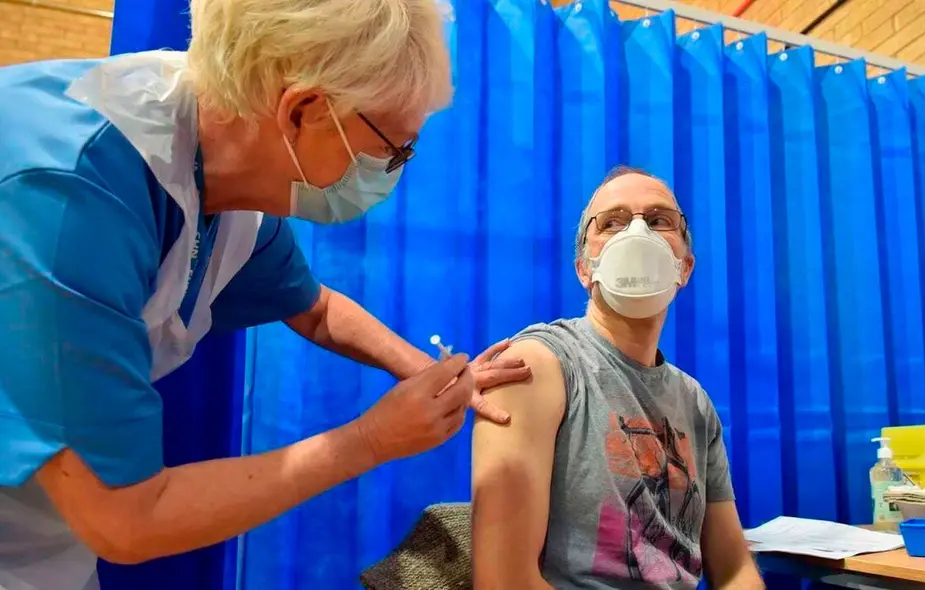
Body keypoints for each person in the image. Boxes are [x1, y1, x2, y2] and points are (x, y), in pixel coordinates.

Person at [0, 1, 531, 589]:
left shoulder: (221, 174)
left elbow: (315, 308)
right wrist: (368, 441)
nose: (392, 170)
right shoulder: (69, 196)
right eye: (394, 149)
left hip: (52, 549)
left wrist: (435, 375)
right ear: (303, 109)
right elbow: (126, 519)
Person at [470, 166, 763, 589]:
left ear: (685, 267)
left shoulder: (694, 403)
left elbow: (735, 569)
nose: (637, 234)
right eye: (612, 223)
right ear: (584, 269)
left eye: (660, 220)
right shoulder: (536, 367)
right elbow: (504, 583)